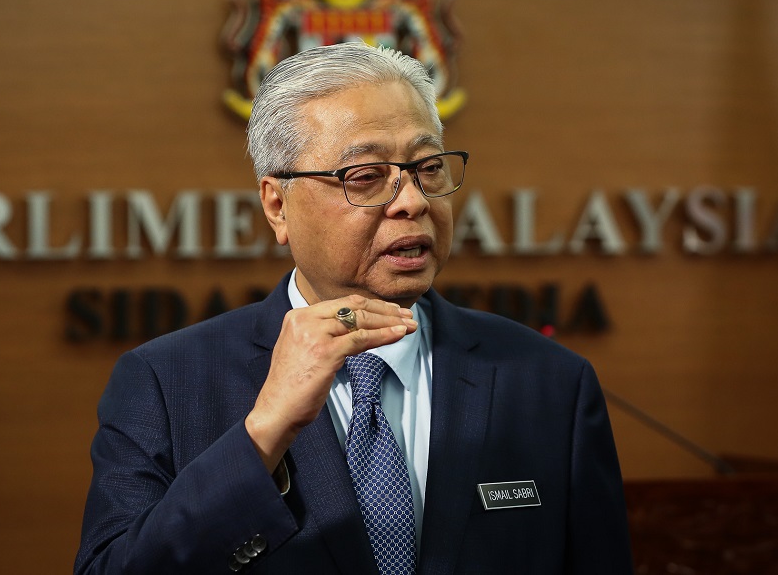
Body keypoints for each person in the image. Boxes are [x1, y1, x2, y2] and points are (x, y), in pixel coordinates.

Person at [75, 42, 632, 574]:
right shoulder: (165, 382)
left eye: (428, 168)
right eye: (365, 178)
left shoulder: (550, 382)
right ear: (277, 206)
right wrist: (264, 432)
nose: (412, 201)